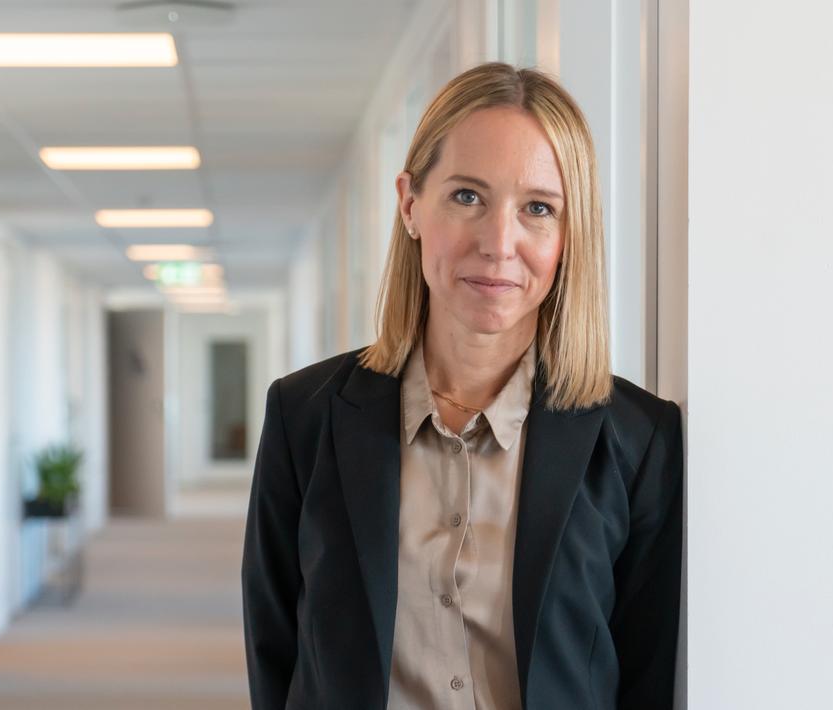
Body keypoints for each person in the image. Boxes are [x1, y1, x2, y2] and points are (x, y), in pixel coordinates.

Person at [241, 62, 683, 710]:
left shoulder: (638, 442)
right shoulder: (304, 417)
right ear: (410, 204)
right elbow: (275, 654)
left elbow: (648, 675)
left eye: (538, 208)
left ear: (570, 234)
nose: (499, 244)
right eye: (468, 197)